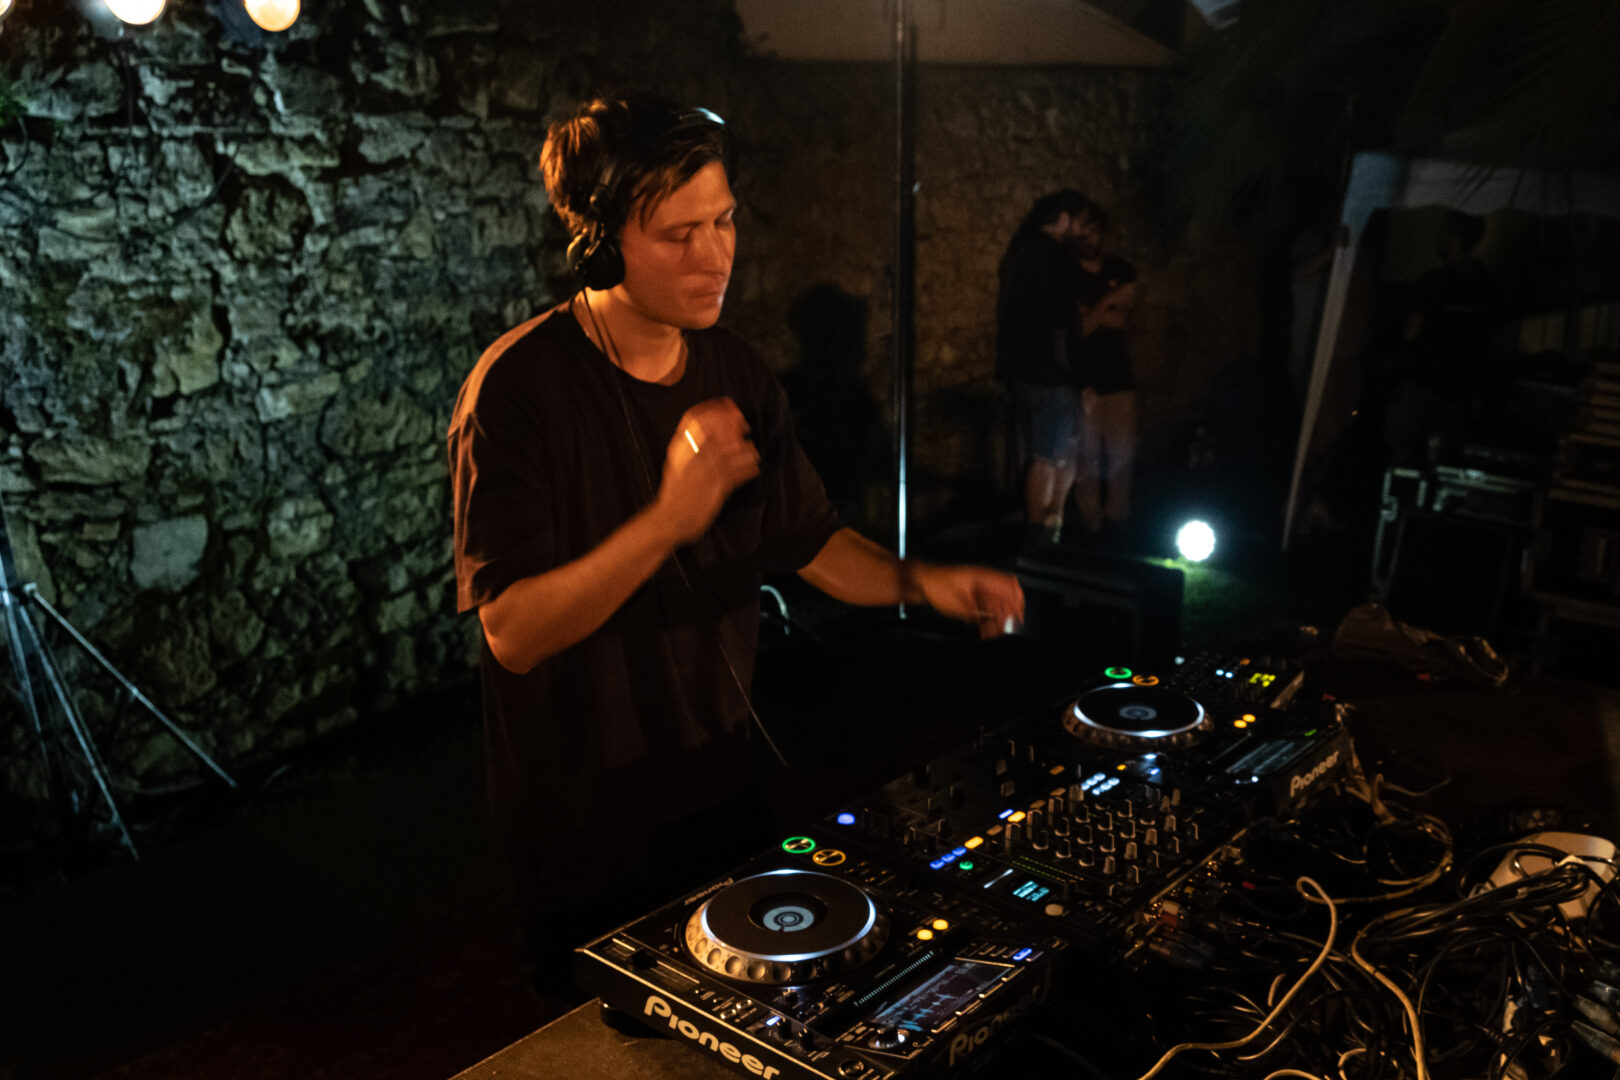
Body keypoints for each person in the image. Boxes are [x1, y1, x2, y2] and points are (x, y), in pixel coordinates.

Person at [447, 93, 1025, 999]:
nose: (716, 256)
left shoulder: (737, 370)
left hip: (718, 788)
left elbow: (809, 541)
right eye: (680, 235)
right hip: (582, 821)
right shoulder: (518, 390)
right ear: (600, 244)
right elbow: (513, 632)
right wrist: (669, 518)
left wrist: (922, 581)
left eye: (723, 222)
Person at [996, 190, 1091, 544]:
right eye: (1079, 221)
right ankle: (1041, 529)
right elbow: (1059, 323)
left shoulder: (1023, 252)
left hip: (1032, 371)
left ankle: (1050, 524)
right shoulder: (1049, 256)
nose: (1081, 230)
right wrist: (1074, 376)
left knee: (1059, 452)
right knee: (1049, 454)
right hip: (1050, 374)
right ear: (1063, 218)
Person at [1383, 210, 1500, 466]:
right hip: (1459, 390)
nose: (1438, 238)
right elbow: (1488, 338)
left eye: (1443, 232)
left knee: (1402, 459)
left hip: (1423, 385)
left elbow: (1411, 332)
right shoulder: (1485, 283)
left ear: (1454, 238)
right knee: (1443, 463)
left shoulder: (1434, 282)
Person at [1071, 202, 1140, 542]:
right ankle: (1091, 522)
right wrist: (1107, 302)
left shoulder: (1122, 269)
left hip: (1119, 378)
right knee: (1085, 458)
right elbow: (1079, 328)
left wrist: (1091, 312)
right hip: (1083, 381)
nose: (1088, 240)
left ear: (1102, 234)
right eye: (1082, 234)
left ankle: (1119, 517)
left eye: (1094, 232)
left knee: (1122, 454)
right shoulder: (1067, 275)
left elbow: (1122, 320)